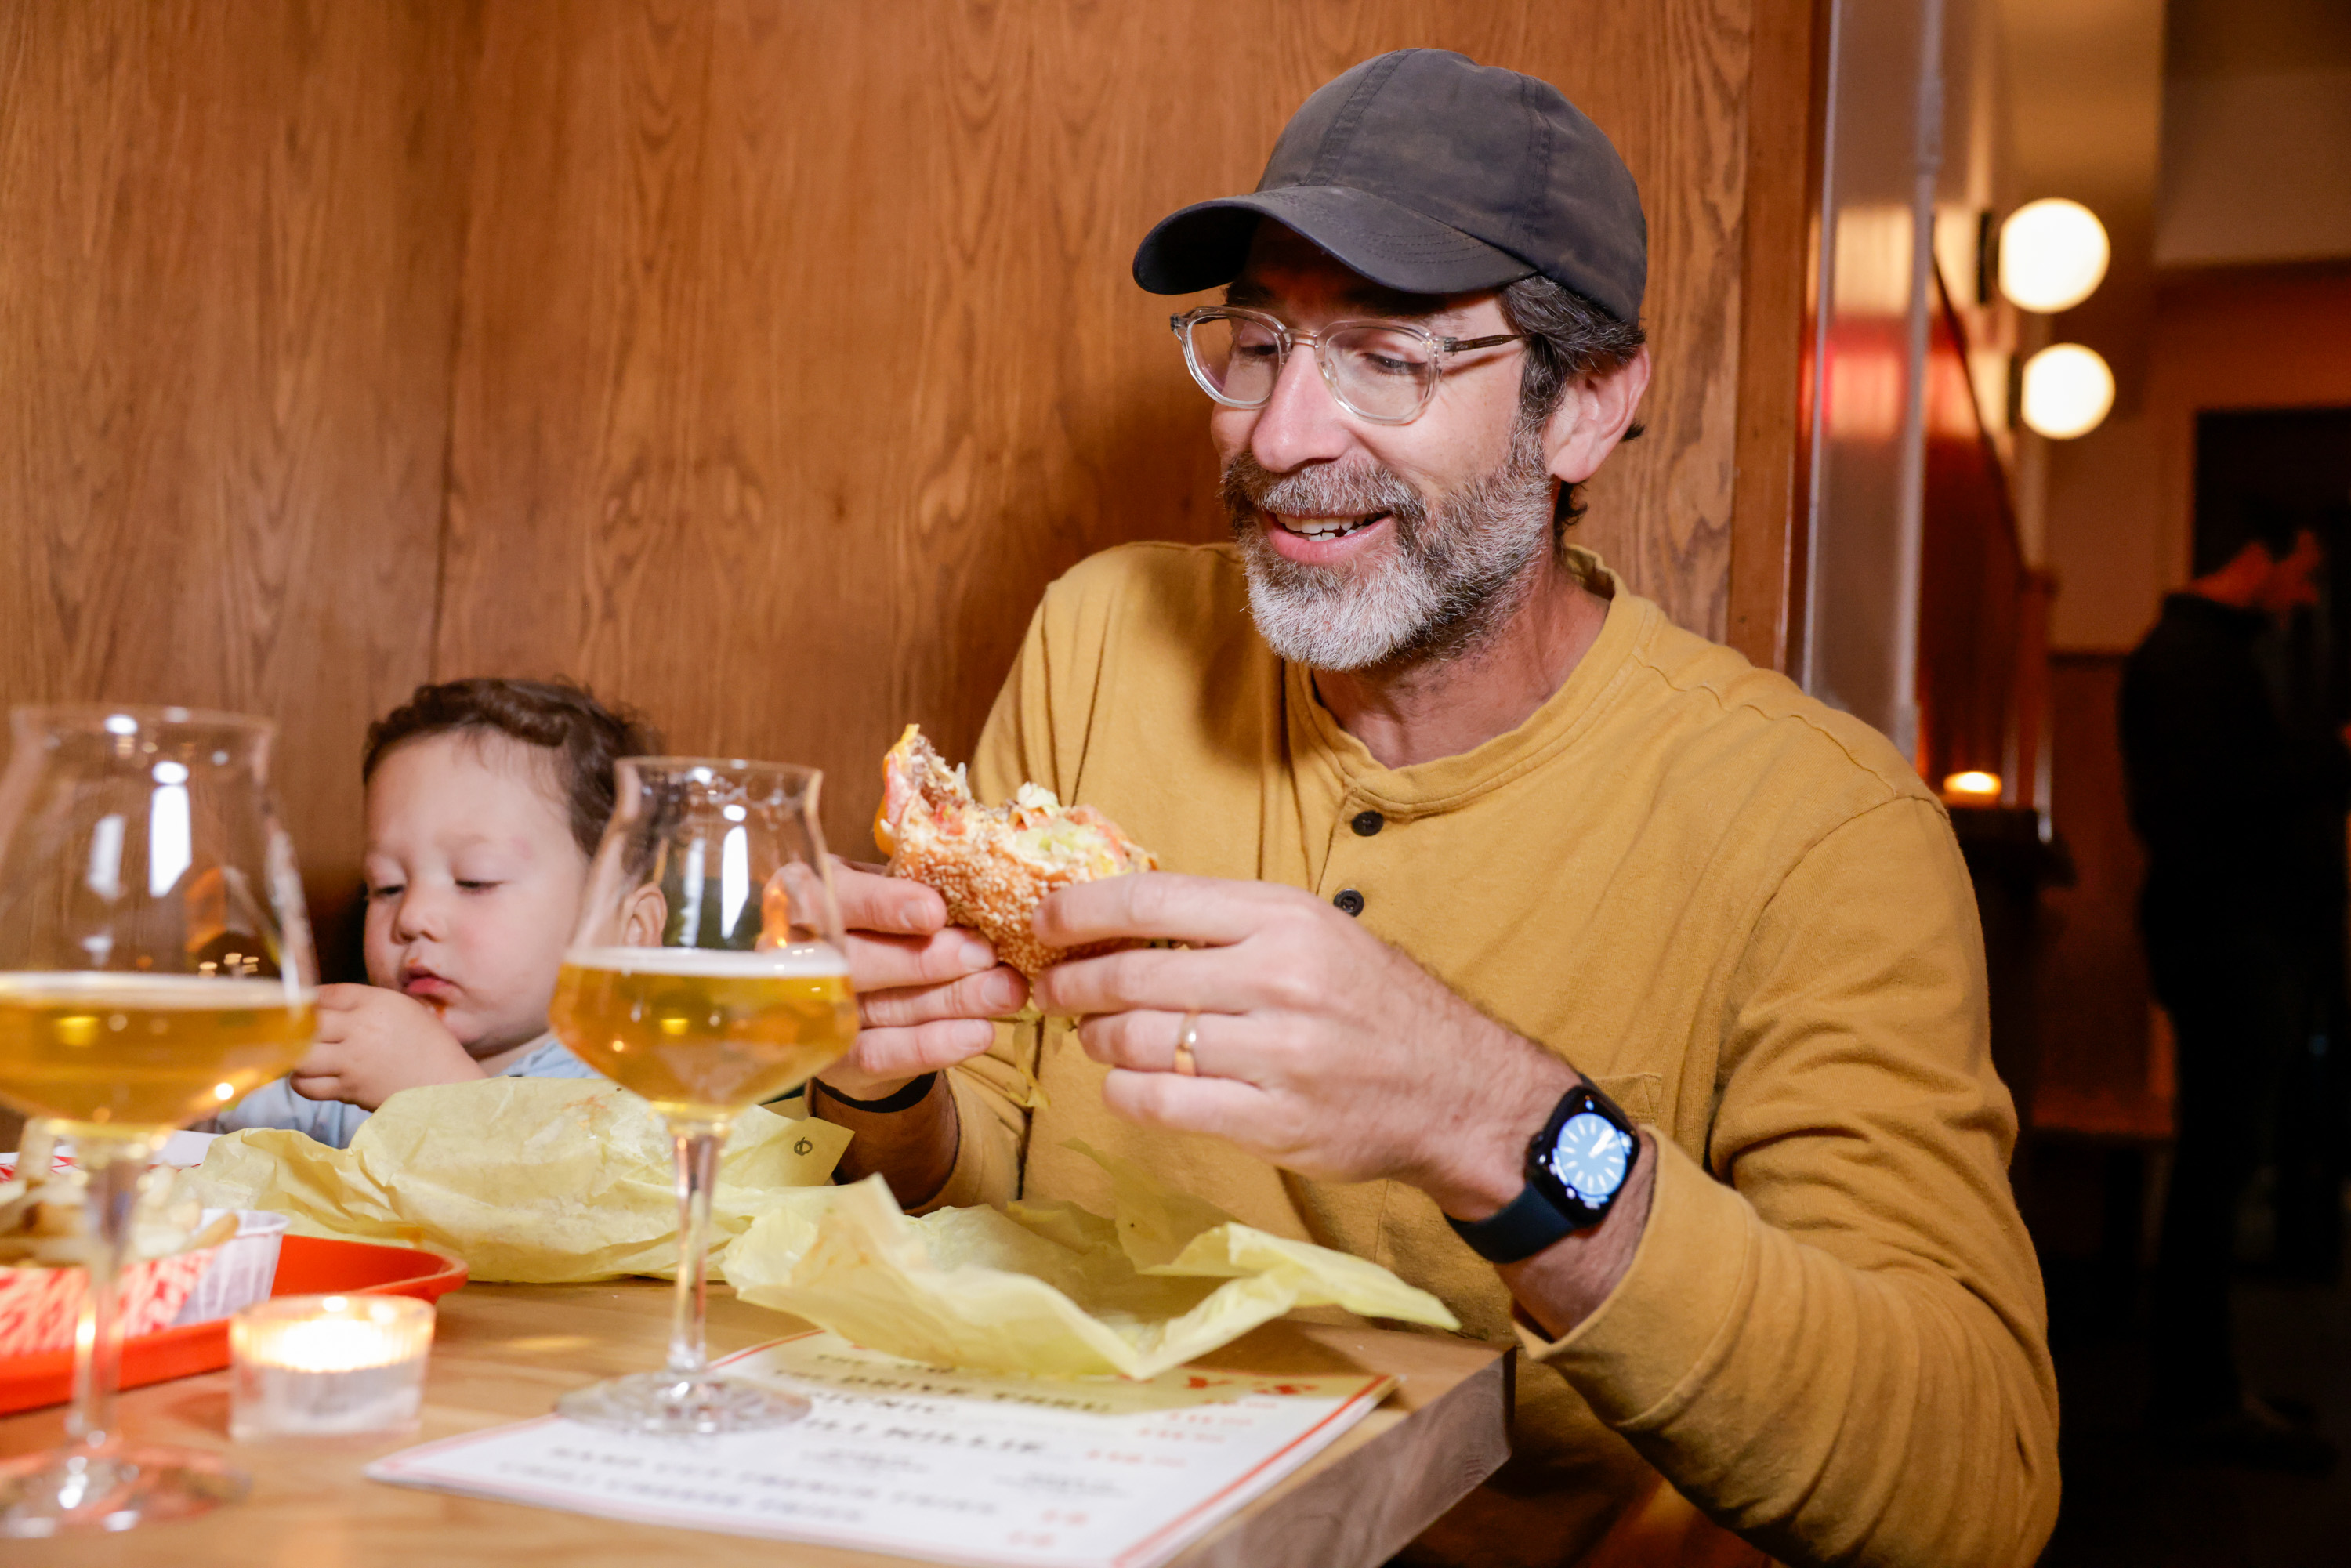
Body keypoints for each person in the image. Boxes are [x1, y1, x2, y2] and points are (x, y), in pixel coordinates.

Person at [813, 51, 2058, 1567]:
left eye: (1388, 357)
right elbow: (974, 1197)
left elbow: (1972, 1493)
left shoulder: (1821, 826)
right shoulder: (1102, 635)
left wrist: (1483, 1116)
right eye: (1259, 342)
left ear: (1585, 407)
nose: (1279, 437)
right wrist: (882, 1085)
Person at [2121, 505, 2348, 1469]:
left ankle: (2210, 1387)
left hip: (2239, 940)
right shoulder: (2185, 655)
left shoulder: (2212, 651)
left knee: (2222, 1163)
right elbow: (2214, 801)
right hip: (2229, 945)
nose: (2303, 600)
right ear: (2262, 556)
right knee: (2216, 1168)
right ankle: (2197, 1398)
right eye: (2302, 576)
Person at [208, 679, 658, 1149]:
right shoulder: (346, 1069)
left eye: (475, 880)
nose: (413, 916)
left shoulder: (643, 1091)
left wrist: (439, 1089)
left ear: (627, 932)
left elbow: (582, 1206)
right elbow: (206, 1129)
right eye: (387, 887)